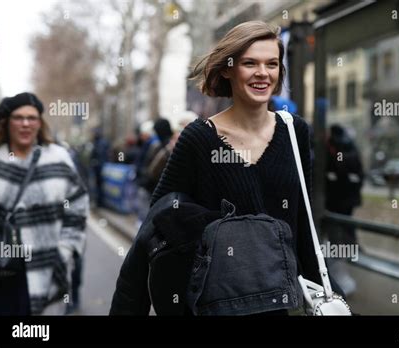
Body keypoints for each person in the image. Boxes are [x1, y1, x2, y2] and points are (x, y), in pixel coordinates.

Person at [110, 21, 343, 315]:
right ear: (227, 69)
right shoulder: (198, 138)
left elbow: (304, 226)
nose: (263, 73)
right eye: (250, 63)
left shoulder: (295, 132)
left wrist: (335, 298)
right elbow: (157, 227)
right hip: (220, 307)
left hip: (283, 305)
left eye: (272, 64)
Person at [0, 92, 88, 315]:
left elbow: (77, 207)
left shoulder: (58, 158)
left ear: (40, 123)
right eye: (18, 117)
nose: (25, 124)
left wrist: (65, 250)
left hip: (46, 269)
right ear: (7, 123)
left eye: (32, 118)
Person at [324, 124, 364, 296]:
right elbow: (359, 172)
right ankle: (351, 246)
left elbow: (333, 169)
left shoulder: (333, 146)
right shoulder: (351, 145)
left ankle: (342, 250)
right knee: (346, 223)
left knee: (335, 227)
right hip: (349, 196)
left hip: (336, 197)